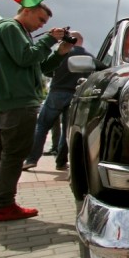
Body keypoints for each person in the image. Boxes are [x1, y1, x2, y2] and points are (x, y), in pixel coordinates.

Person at [0, 4, 73, 222]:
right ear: (27, 10)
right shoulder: (10, 28)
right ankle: (3, 205)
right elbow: (26, 58)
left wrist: (59, 53)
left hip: (12, 99)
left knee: (0, 151)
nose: (42, 25)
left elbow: (39, 67)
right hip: (18, 100)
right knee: (14, 154)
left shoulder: (18, 33)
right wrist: (49, 40)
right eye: (41, 19)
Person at [23, 32, 95, 172]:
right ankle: (61, 162)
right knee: (67, 130)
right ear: (81, 40)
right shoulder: (89, 57)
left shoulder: (63, 53)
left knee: (42, 126)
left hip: (57, 93)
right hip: (75, 94)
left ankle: (31, 159)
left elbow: (48, 71)